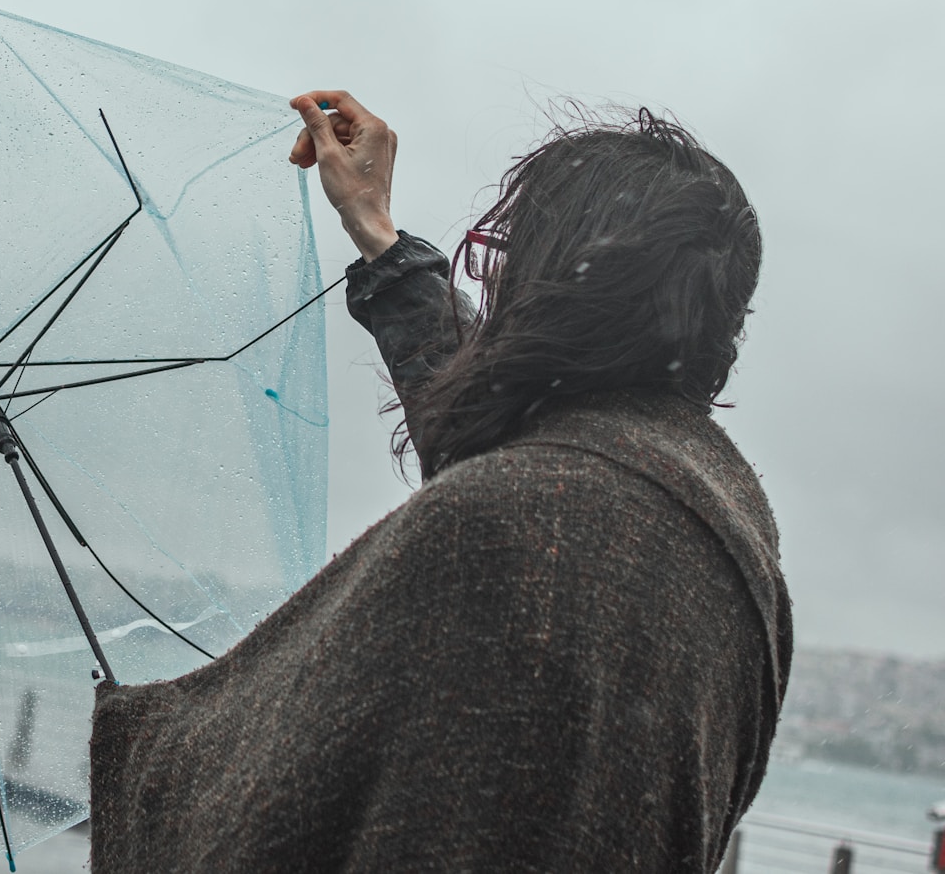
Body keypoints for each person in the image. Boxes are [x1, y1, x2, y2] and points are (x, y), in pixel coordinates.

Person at [88, 91, 791, 872]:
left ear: (561, 289)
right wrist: (376, 232)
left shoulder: (499, 525)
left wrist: (141, 744)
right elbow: (525, 445)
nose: (495, 280)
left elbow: (281, 800)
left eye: (508, 258)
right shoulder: (721, 526)